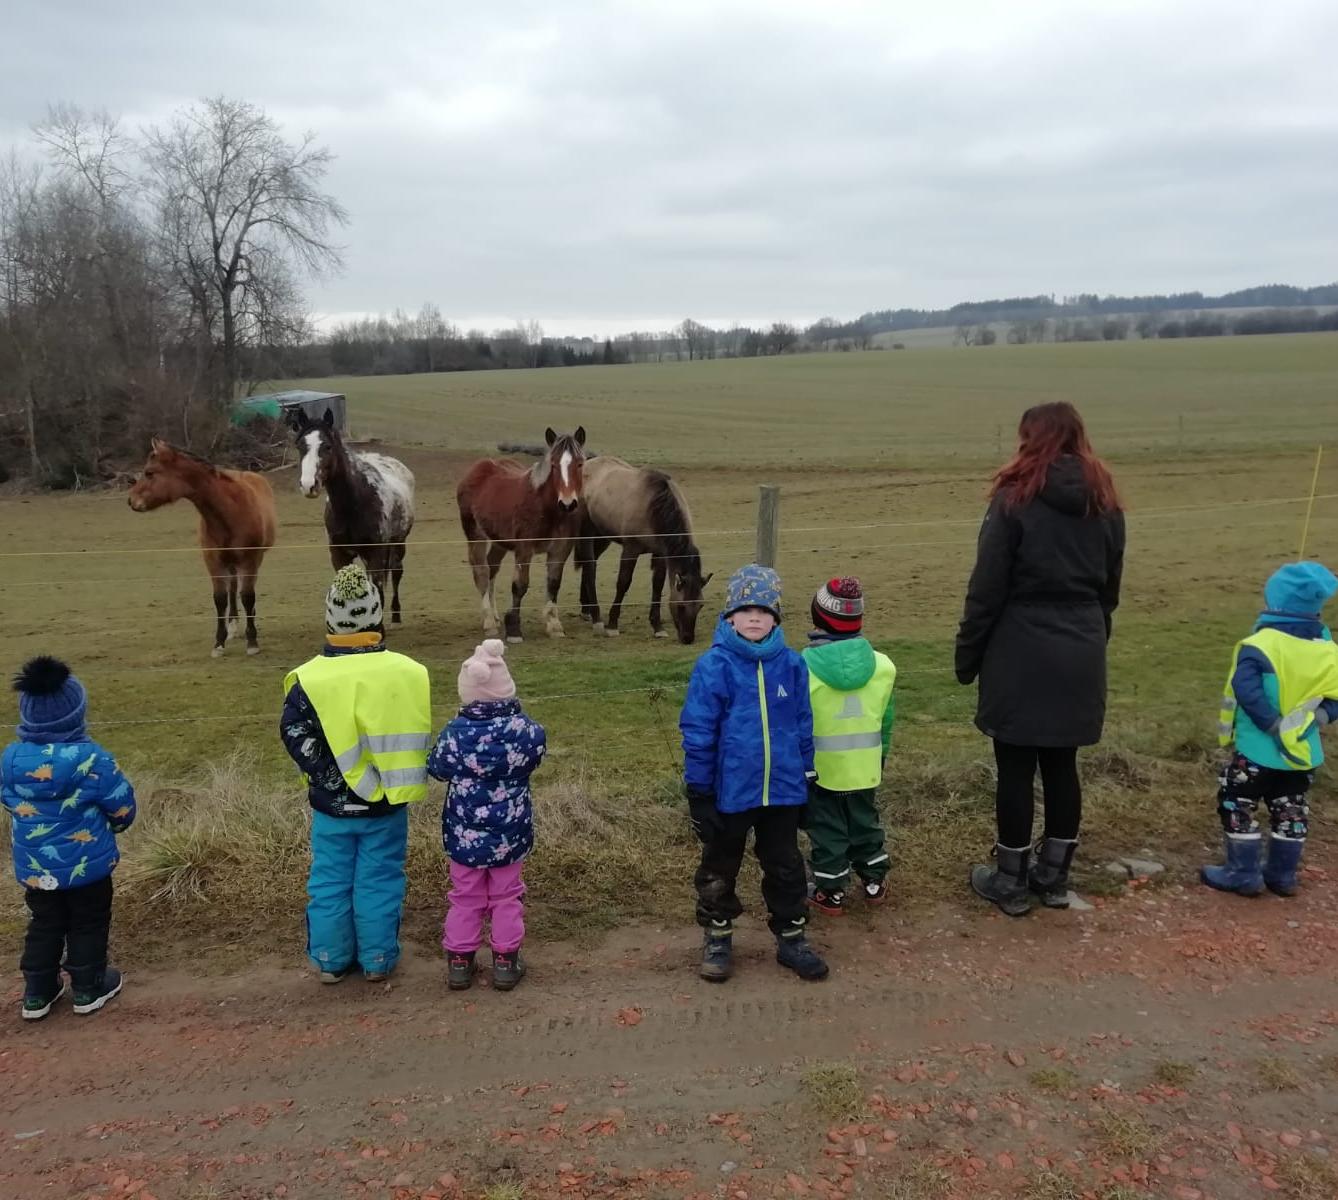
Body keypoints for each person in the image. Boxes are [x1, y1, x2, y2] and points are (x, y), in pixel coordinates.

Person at [955, 402, 1126, 917]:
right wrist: (1093, 639)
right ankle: (1053, 876)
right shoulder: (1106, 504)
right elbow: (1110, 590)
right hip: (1082, 647)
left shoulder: (1014, 501)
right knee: (1062, 764)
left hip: (1020, 646)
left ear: (1031, 439)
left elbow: (986, 590)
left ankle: (1010, 878)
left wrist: (968, 655)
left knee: (1014, 765)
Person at [280, 562, 431, 983]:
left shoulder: (309, 680)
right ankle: (378, 960)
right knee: (379, 880)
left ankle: (330, 958)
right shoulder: (408, 673)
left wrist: (330, 778)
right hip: (385, 807)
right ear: (377, 616)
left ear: (330, 619)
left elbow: (294, 732)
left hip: (331, 810)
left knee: (330, 880)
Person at [680, 563, 828, 982]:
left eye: (764, 611)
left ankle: (792, 937)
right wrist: (699, 792)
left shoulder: (793, 666)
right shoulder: (714, 667)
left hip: (782, 791)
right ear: (729, 617)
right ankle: (718, 934)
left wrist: (808, 778)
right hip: (730, 793)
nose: (755, 618)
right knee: (718, 867)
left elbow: (802, 724)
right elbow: (698, 731)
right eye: (745, 611)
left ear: (776, 617)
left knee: (785, 866)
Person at [2, 656, 135, 1019]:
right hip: (87, 867)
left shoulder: (10, 758)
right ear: (76, 714)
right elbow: (121, 805)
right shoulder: (93, 759)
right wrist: (120, 824)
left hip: (36, 867)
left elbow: (8, 800)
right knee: (89, 920)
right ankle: (89, 986)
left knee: (44, 921)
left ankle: (37, 991)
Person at [1202, 562, 1338, 896]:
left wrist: (1272, 725)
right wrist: (1316, 720)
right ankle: (1282, 875)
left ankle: (1243, 872)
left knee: (1237, 801)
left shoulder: (1261, 644)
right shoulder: (1327, 648)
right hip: (1302, 752)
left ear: (1274, 601)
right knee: (1291, 808)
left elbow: (1246, 689)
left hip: (1256, 750)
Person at [428, 639, 546, 992]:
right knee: (507, 895)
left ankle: (460, 962)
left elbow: (436, 767)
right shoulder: (526, 732)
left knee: (465, 895)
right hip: (511, 834)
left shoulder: (455, 735)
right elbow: (537, 753)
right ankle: (506, 962)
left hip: (464, 836)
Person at [802, 577, 897, 915]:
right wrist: (881, 755)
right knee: (864, 822)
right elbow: (885, 719)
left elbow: (796, 722)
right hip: (866, 766)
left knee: (827, 829)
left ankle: (830, 892)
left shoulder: (801, 668)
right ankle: (874, 882)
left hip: (821, 770)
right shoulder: (884, 666)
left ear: (817, 617)